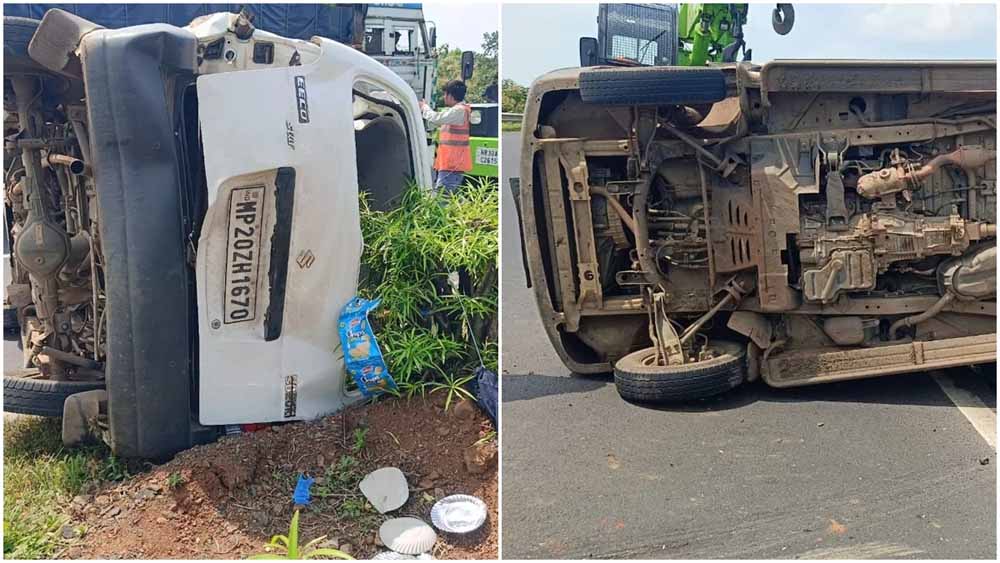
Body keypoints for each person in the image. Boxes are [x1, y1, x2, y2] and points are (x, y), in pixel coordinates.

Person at [420, 80, 472, 193]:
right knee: (448, 196)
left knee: (443, 197)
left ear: (450, 95)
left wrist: (424, 107)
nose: (444, 97)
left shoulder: (459, 110)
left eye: (445, 94)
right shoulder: (457, 110)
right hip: (451, 164)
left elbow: (436, 118)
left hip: (452, 165)